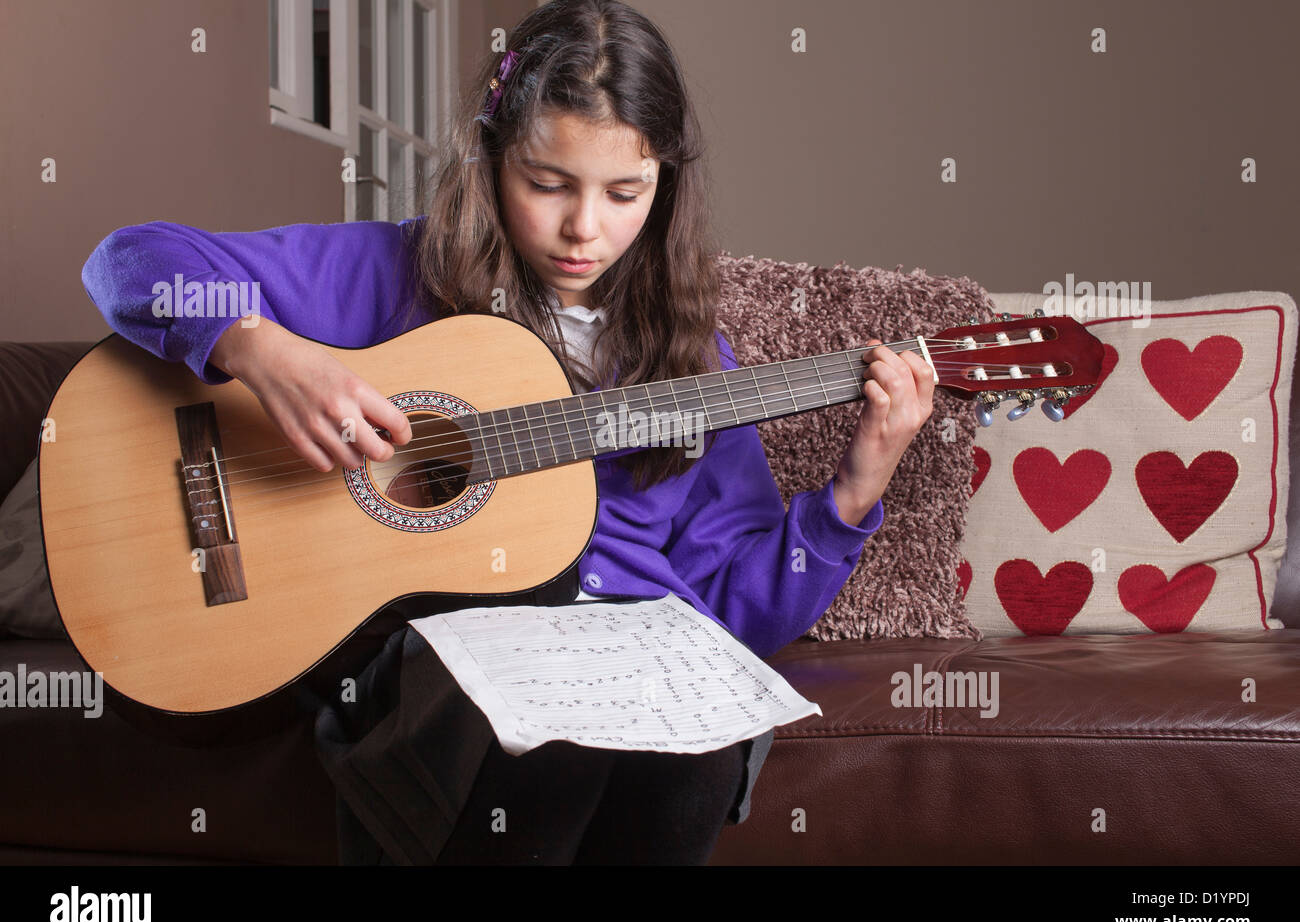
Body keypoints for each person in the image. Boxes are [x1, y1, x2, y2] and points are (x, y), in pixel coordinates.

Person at [79, 0, 936, 865]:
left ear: (664, 187)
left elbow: (728, 612)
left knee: (697, 740)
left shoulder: (696, 368)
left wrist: (855, 491)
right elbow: (128, 257)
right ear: (490, 162)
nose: (583, 229)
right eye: (548, 183)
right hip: (444, 677)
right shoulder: (393, 277)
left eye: (624, 192)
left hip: (632, 687)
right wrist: (269, 354)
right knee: (538, 713)